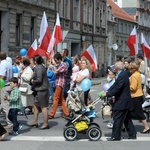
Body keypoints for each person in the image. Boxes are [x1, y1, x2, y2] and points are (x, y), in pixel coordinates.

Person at [102, 61, 137, 141]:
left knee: (117, 118)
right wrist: (108, 90)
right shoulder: (121, 74)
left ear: (117, 68)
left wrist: (108, 94)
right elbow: (115, 85)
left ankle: (116, 136)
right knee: (126, 119)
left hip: (122, 101)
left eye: (114, 66)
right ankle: (132, 134)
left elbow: (118, 88)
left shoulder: (122, 75)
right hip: (124, 101)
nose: (113, 67)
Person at [128, 62, 150, 133]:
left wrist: (127, 86)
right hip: (139, 95)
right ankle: (125, 126)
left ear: (133, 69)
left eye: (130, 69)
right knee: (135, 112)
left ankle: (146, 127)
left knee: (137, 112)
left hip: (135, 96)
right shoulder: (138, 74)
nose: (129, 70)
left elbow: (133, 87)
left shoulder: (134, 76)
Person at [30, 55, 49, 129]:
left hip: (42, 89)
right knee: (35, 104)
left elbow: (39, 79)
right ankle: (35, 121)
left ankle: (45, 123)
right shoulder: (38, 67)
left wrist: (32, 81)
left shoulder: (40, 68)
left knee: (43, 106)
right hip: (38, 89)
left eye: (32, 60)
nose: (31, 61)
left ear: (35, 61)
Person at [49, 53, 69, 119]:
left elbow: (56, 72)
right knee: (61, 99)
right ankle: (66, 113)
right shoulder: (60, 65)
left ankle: (52, 114)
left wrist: (52, 67)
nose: (55, 61)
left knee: (55, 99)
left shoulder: (63, 65)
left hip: (59, 84)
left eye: (56, 60)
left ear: (59, 59)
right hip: (58, 83)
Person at [0, 51, 13, 129]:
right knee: (5, 104)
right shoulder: (8, 63)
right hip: (9, 85)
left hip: (4, 86)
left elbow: (2, 76)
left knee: (5, 105)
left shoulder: (2, 64)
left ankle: (10, 122)